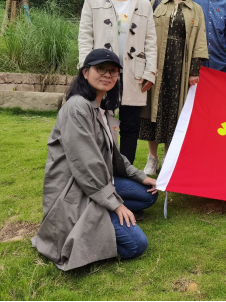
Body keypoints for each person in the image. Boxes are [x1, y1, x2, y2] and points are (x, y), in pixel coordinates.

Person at [32, 49, 159, 271]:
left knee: (148, 195)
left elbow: (114, 156)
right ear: (85, 72)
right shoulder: (77, 108)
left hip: (97, 183)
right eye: (100, 69)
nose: (107, 75)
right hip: (76, 189)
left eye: (113, 71)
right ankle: (96, 222)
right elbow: (87, 164)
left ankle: (105, 212)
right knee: (136, 245)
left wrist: (141, 177)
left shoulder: (102, 110)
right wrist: (116, 204)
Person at [78, 0, 157, 165]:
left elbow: (150, 40)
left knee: (130, 125)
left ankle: (126, 170)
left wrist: (150, 71)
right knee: (100, 120)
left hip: (134, 72)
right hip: (101, 70)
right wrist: (85, 67)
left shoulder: (144, 3)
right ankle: (100, 168)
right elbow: (85, 35)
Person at [140, 0, 209, 175]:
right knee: (152, 110)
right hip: (156, 66)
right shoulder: (156, 3)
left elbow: (200, 42)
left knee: (174, 112)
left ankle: (169, 159)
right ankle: (152, 158)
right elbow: (144, 35)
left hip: (180, 68)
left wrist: (194, 71)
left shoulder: (196, 10)